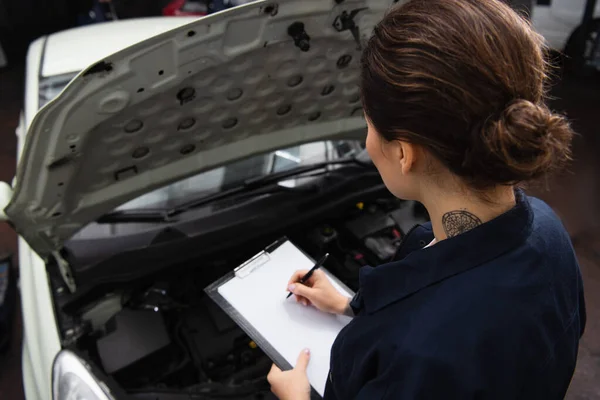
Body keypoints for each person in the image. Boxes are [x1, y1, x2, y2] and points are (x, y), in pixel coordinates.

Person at [267, 0, 586, 399]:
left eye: (368, 126)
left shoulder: (421, 356)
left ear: (404, 154)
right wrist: (352, 305)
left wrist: (296, 397)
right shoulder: (546, 230)